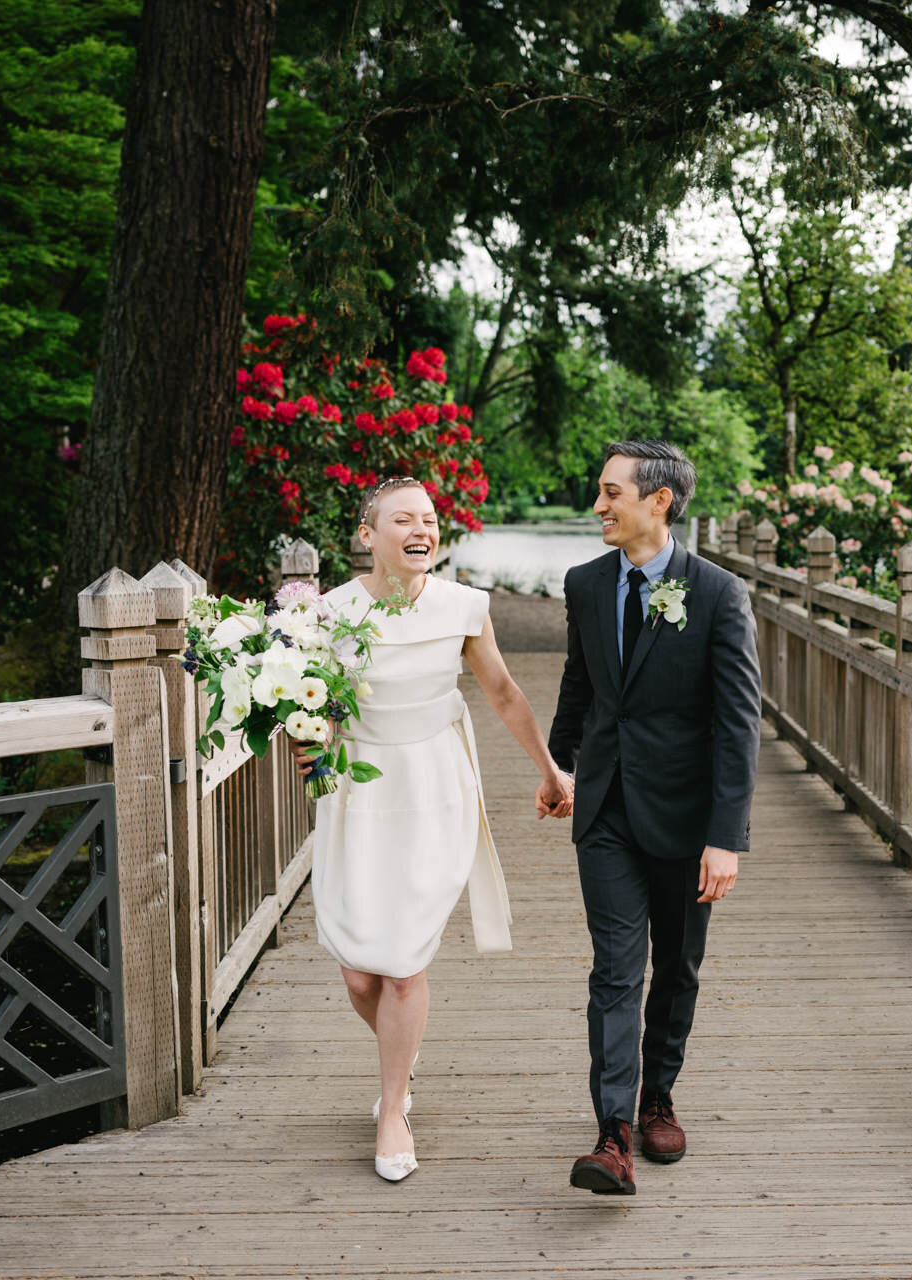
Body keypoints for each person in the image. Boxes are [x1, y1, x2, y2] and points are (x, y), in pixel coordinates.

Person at [292, 476, 573, 1183]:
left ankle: (392, 1109)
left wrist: (551, 770)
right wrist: (310, 747)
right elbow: (315, 705)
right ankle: (402, 1047)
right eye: (402, 519)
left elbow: (504, 692)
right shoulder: (330, 613)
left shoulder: (463, 607)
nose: (421, 530)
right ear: (368, 535)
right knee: (360, 974)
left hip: (436, 783)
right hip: (358, 785)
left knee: (406, 964)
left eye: (430, 519)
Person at [537, 440, 763, 1196]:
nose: (598, 505)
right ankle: (613, 1133)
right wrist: (558, 763)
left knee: (677, 968)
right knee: (615, 968)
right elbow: (581, 678)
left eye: (611, 492)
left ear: (659, 500)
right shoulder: (585, 583)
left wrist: (725, 839)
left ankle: (658, 1094)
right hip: (604, 807)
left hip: (686, 816)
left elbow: (738, 727)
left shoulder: (721, 594)